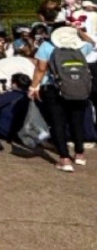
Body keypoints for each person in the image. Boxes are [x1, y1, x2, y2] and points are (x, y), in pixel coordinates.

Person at [30, 23, 92, 171]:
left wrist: (33, 86)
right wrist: (78, 31)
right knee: (77, 120)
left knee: (58, 122)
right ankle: (79, 153)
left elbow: (40, 69)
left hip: (53, 87)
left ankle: (64, 158)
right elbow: (91, 42)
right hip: (78, 86)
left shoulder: (47, 46)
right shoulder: (81, 46)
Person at [0, 73, 32, 143]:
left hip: (3, 131)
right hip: (25, 132)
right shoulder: (32, 99)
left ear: (14, 84)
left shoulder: (4, 97)